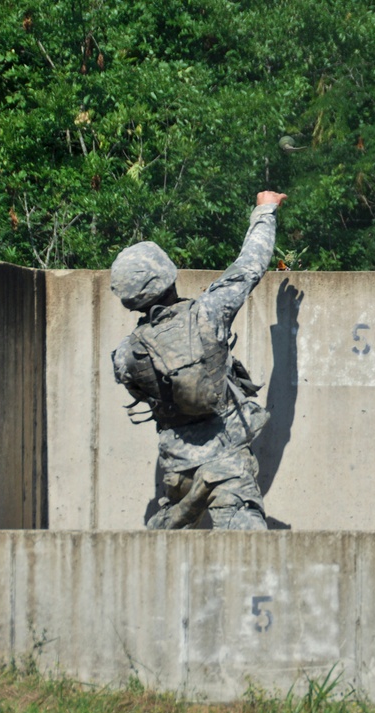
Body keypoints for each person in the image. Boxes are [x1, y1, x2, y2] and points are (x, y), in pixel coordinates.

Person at [110, 190, 287, 530]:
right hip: (227, 466)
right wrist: (265, 211)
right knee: (251, 551)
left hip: (177, 470)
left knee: (167, 547)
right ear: (168, 274)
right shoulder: (208, 313)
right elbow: (250, 265)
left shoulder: (125, 355)